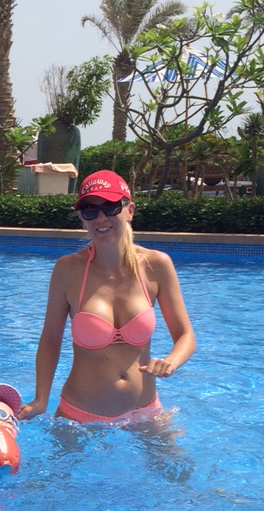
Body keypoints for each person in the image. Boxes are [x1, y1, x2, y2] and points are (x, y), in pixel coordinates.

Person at [18, 172, 196, 425]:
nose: (101, 218)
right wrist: (40, 399)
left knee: (178, 453)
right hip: (79, 416)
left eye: (111, 207)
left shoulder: (156, 265)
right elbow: (50, 339)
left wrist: (171, 362)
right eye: (90, 211)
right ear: (82, 219)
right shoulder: (67, 269)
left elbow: (185, 335)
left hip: (145, 411)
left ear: (129, 211)